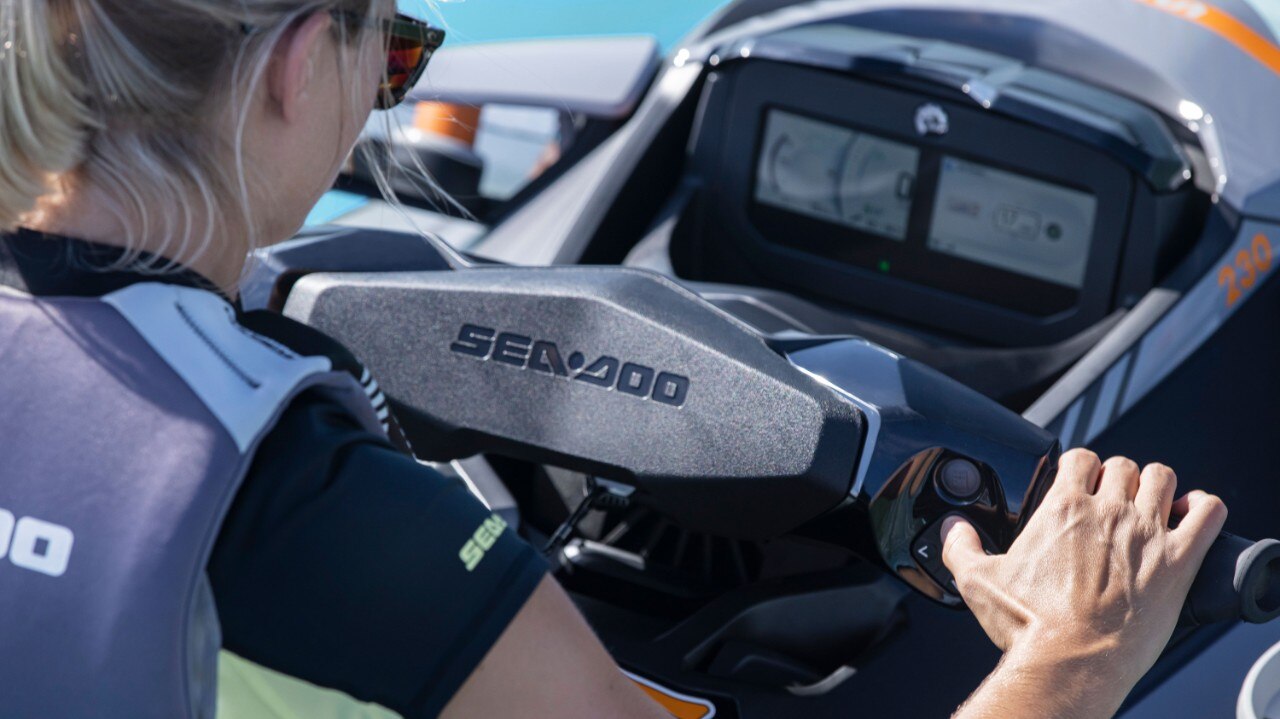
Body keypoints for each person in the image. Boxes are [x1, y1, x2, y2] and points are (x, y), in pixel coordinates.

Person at [0, 1, 1226, 717]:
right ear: (292, 63)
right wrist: (1075, 649)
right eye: (392, 58)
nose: (388, 97)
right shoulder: (307, 499)